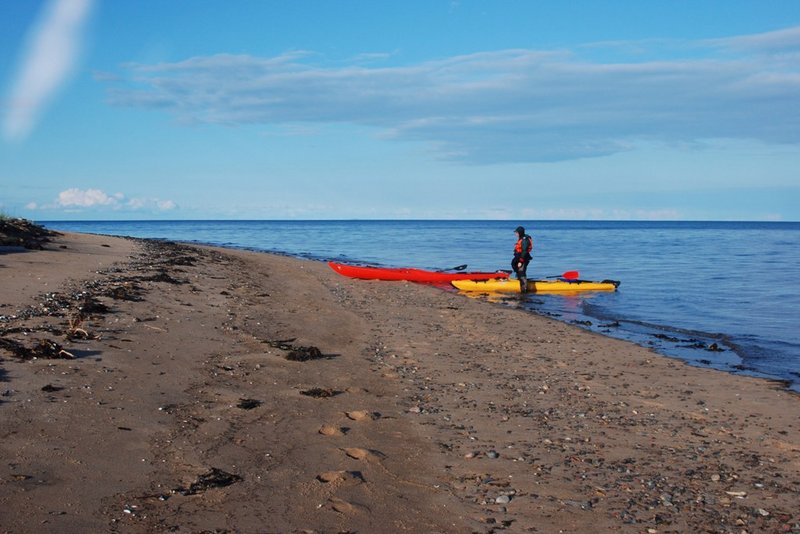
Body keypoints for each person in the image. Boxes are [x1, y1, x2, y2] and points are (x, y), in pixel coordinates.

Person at [512, 226, 533, 292]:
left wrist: (521, 261)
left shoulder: (524, 240)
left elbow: (524, 251)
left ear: (520, 233)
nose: (515, 234)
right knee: (514, 265)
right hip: (519, 256)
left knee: (521, 272)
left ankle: (524, 290)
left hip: (523, 258)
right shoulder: (521, 238)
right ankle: (519, 282)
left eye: (516, 232)